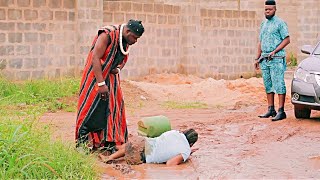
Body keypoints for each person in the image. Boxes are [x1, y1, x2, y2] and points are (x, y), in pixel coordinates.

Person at [75, 19, 145, 150]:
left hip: (111, 78)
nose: (135, 41)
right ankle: (82, 144)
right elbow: (95, 57)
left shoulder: (125, 40)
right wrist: (101, 84)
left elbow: (122, 59)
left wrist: (117, 69)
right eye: (135, 37)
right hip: (95, 77)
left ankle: (108, 143)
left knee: (113, 108)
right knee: (90, 108)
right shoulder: (107, 34)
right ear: (128, 31)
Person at [254, 0, 290, 121]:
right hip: (264, 59)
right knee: (268, 84)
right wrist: (257, 58)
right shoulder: (263, 24)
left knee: (279, 83)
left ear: (275, 9)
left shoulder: (280, 23)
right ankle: (271, 109)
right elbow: (260, 41)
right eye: (266, 9)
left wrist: (275, 51)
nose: (267, 11)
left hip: (277, 58)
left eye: (269, 9)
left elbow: (287, 39)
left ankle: (281, 111)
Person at [99, 129, 199, 166]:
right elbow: (170, 164)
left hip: (142, 141)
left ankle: (115, 148)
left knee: (132, 145)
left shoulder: (176, 132)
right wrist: (185, 157)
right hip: (142, 156)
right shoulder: (185, 151)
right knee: (132, 152)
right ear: (191, 144)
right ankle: (109, 158)